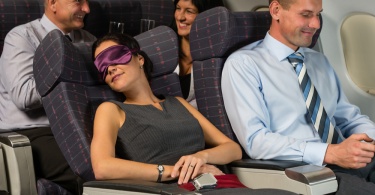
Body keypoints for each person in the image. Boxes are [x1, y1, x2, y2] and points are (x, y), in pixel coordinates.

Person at [90, 33, 295, 195]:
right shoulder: (111, 110)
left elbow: (233, 149)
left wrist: (200, 158)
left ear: (139, 58)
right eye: (102, 67)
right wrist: (176, 170)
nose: (110, 68)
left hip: (219, 182)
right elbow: (102, 167)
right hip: (175, 189)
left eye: (115, 57)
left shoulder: (178, 103)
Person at [221, 0, 375, 194]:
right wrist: (330, 153)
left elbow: (349, 118)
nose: (316, 24)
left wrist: (371, 140)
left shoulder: (319, 61)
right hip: (306, 172)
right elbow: (256, 141)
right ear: (276, 10)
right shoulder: (244, 64)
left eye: (318, 14)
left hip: (350, 160)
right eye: (306, 14)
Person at [0, 0, 96, 194]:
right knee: (95, 173)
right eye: (78, 2)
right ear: (52, 3)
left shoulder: (89, 39)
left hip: (84, 128)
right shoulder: (22, 37)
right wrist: (69, 80)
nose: (87, 9)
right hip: (35, 133)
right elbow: (24, 95)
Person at [171, 0, 224, 108]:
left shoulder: (217, 59)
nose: (180, 17)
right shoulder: (162, 49)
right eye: (178, 8)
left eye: (189, 11)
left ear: (208, 16)